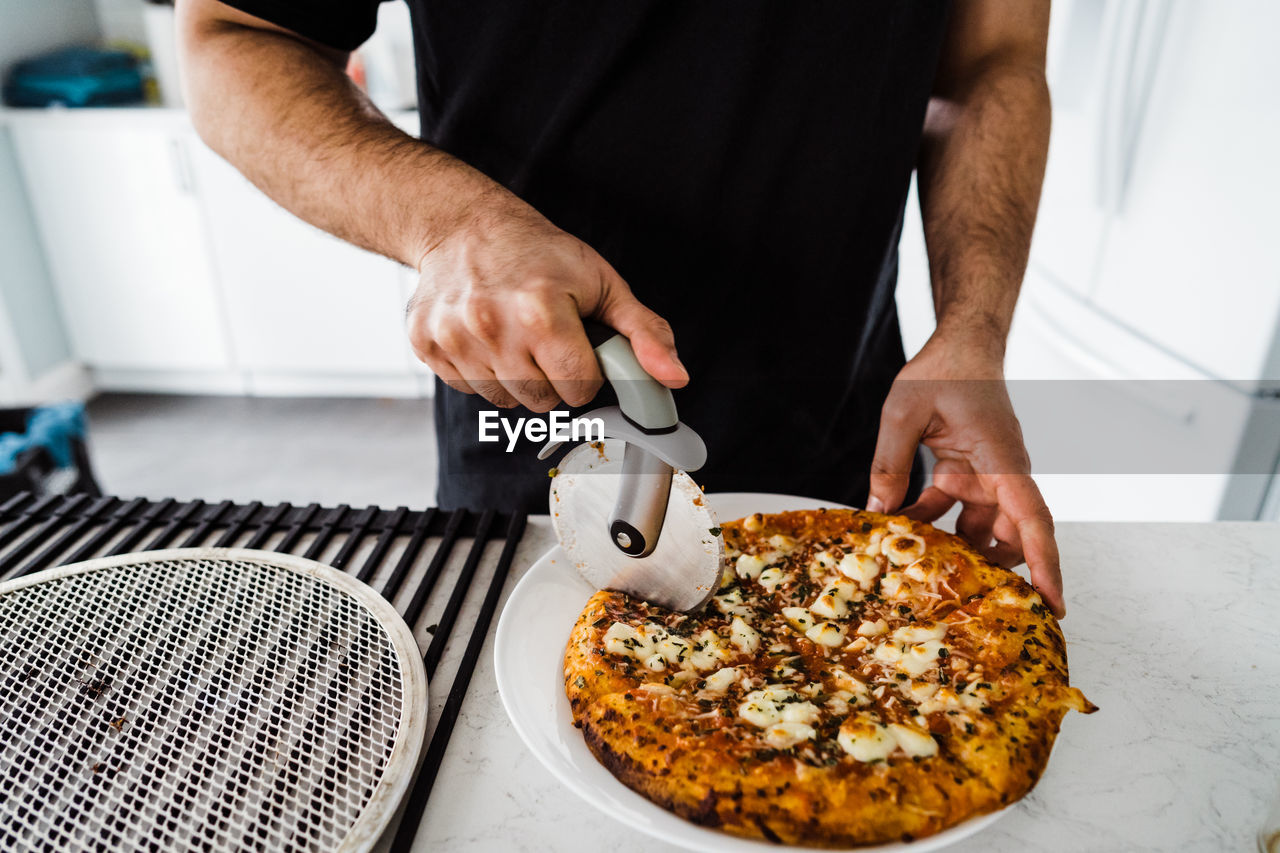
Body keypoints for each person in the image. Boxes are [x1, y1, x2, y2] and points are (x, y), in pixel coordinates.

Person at [177, 0, 1064, 617]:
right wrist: (452, 226)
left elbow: (993, 61)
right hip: (534, 415)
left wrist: (973, 331)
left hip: (850, 423)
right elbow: (231, 37)